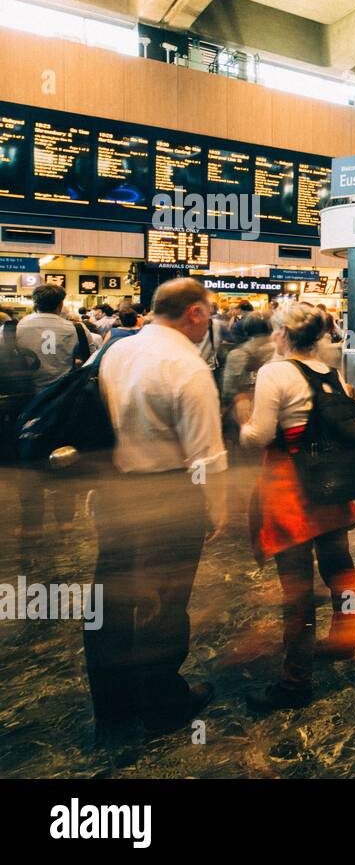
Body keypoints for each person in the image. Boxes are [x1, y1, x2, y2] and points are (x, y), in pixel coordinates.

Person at [86, 278, 227, 735]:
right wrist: (213, 506)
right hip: (171, 496)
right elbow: (204, 458)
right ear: (195, 314)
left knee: (111, 601)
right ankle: (163, 703)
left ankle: (112, 705)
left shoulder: (116, 352)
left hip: (117, 492)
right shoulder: (187, 367)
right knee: (165, 602)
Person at [240, 302, 355, 711]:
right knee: (339, 568)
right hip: (331, 489)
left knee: (296, 590)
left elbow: (259, 436)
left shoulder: (274, 373)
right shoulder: (332, 374)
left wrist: (241, 427)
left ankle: (295, 680)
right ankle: (345, 638)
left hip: (290, 492)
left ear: (282, 334)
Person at [14, 283, 95, 540]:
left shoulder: (15, 327)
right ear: (61, 304)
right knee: (64, 458)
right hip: (64, 402)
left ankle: (31, 525)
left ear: (33, 302)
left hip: (26, 402)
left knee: (27, 463)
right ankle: (65, 522)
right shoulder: (76, 328)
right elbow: (90, 359)